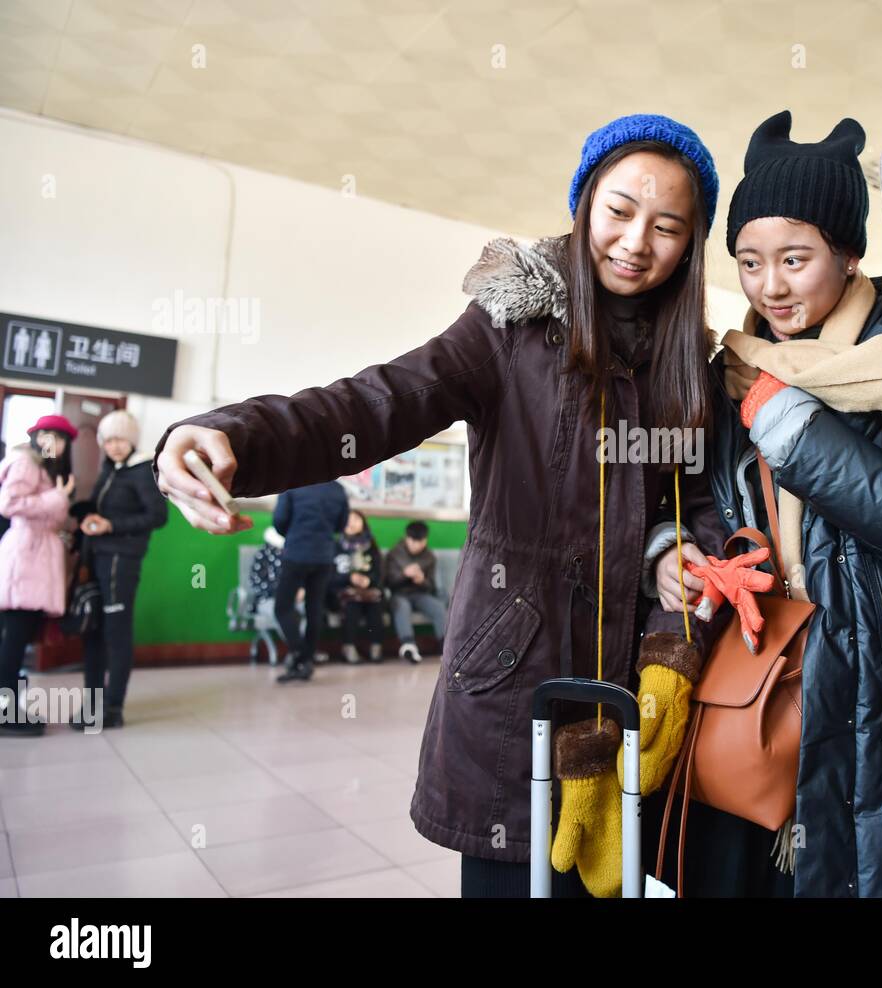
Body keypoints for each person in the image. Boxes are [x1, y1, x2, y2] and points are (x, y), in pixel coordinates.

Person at [152, 114, 731, 897]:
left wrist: (673, 549)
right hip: (513, 670)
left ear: (691, 244)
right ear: (585, 202)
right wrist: (229, 434)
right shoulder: (509, 327)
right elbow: (374, 403)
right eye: (620, 210)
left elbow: (693, 495)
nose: (636, 242)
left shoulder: (688, 360)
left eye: (668, 226)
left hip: (632, 687)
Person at [678, 110, 882, 897]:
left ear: (848, 253)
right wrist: (684, 556)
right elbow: (709, 508)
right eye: (748, 261)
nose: (769, 286)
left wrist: (790, 424)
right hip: (763, 679)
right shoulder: (735, 368)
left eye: (795, 258)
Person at [68, 410, 168, 729]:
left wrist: (111, 524)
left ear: (132, 440)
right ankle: (93, 704)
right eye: (108, 440)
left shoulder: (142, 471)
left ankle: (112, 708)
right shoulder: (110, 470)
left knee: (116, 634)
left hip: (121, 561)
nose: (114, 446)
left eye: (120, 439)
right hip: (98, 558)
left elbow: (158, 516)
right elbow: (100, 506)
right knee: (94, 633)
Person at [0, 414, 77, 737]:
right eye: (46, 436)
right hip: (26, 559)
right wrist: (58, 498)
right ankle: (6, 712)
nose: (52, 443)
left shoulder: (48, 471)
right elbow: (10, 503)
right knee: (13, 640)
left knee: (18, 639)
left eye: (59, 439)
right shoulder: (26, 463)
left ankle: (9, 708)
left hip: (36, 558)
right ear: (35, 438)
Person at [270, 480, 349, 682]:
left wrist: (296, 532)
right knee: (314, 608)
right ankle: (306, 661)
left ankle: (298, 652)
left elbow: (279, 520)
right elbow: (341, 524)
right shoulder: (338, 489)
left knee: (282, 607)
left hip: (296, 552)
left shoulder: (293, 484)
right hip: (323, 556)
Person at [383, 520, 443, 664]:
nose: (416, 545)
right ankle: (408, 646)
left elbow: (431, 586)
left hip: (420, 594)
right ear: (406, 538)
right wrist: (404, 575)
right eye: (413, 541)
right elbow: (387, 582)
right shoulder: (394, 553)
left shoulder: (429, 557)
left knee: (438, 607)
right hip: (399, 594)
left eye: (420, 541)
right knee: (401, 607)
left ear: (425, 540)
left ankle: (446, 647)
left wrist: (421, 580)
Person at [331, 509, 385, 663]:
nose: (351, 523)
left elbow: (379, 573)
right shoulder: (335, 546)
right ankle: (348, 647)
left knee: (376, 603)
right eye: (347, 519)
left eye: (356, 519)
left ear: (363, 524)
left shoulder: (371, 546)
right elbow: (328, 577)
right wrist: (349, 577)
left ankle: (376, 647)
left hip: (367, 592)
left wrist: (368, 581)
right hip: (342, 591)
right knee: (351, 603)